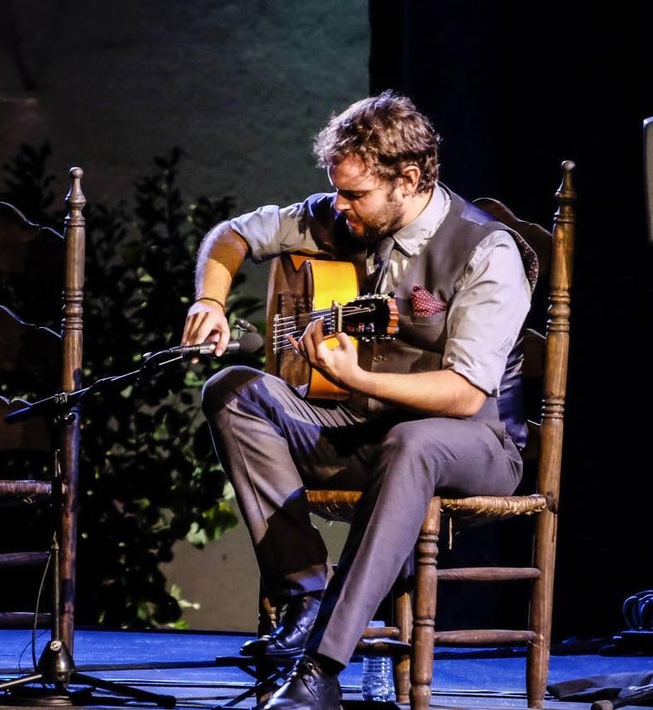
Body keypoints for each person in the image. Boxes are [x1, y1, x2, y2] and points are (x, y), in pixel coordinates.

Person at [181, 91, 536, 710]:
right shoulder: (343, 216)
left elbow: (461, 394)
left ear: (409, 178)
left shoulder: (486, 251)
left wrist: (358, 376)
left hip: (471, 442)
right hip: (361, 431)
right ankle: (305, 590)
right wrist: (210, 300)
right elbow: (234, 234)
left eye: (355, 195)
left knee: (413, 441)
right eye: (336, 192)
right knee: (232, 390)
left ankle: (320, 664)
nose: (339, 209)